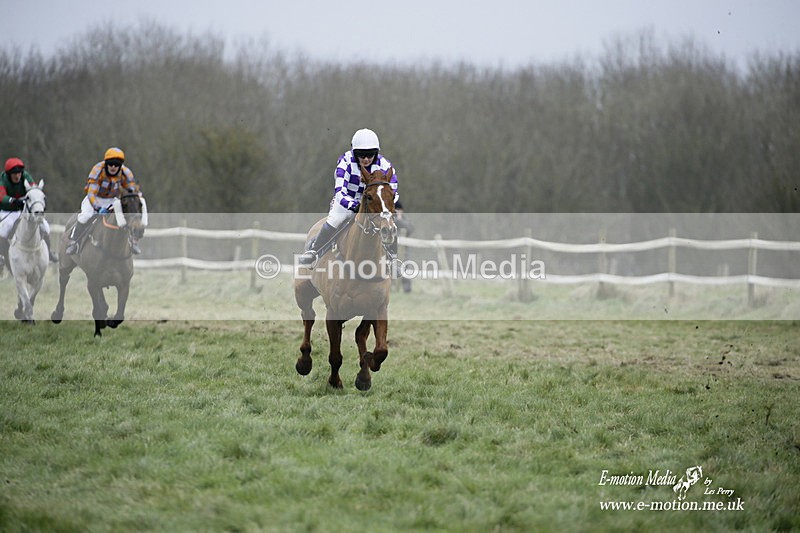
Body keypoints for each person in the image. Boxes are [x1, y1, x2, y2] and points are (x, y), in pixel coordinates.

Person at [298, 128, 399, 266]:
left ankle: (393, 260)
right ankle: (314, 252)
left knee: (389, 224)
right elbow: (340, 192)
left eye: (370, 155)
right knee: (336, 219)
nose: (366, 159)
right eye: (361, 155)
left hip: (372, 204)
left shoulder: (385, 166)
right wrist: (353, 205)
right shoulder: (345, 162)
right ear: (354, 152)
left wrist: (385, 208)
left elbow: (393, 192)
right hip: (346, 201)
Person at [65, 147, 141, 256]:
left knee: (126, 217)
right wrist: (98, 207)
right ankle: (74, 241)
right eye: (111, 164)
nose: (113, 167)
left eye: (117, 164)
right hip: (95, 198)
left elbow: (131, 189)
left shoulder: (126, 173)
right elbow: (91, 193)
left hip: (113, 200)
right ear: (106, 163)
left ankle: (133, 242)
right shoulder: (97, 170)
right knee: (86, 215)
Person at [0, 157, 57, 271]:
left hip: (24, 210)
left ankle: (49, 253)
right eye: (14, 174)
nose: (18, 176)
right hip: (8, 210)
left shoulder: (26, 176)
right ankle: (1, 256)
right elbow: (1, 196)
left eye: (19, 173)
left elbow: (33, 188)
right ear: (9, 174)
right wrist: (13, 201)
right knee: (5, 227)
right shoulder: (3, 179)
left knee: (44, 226)